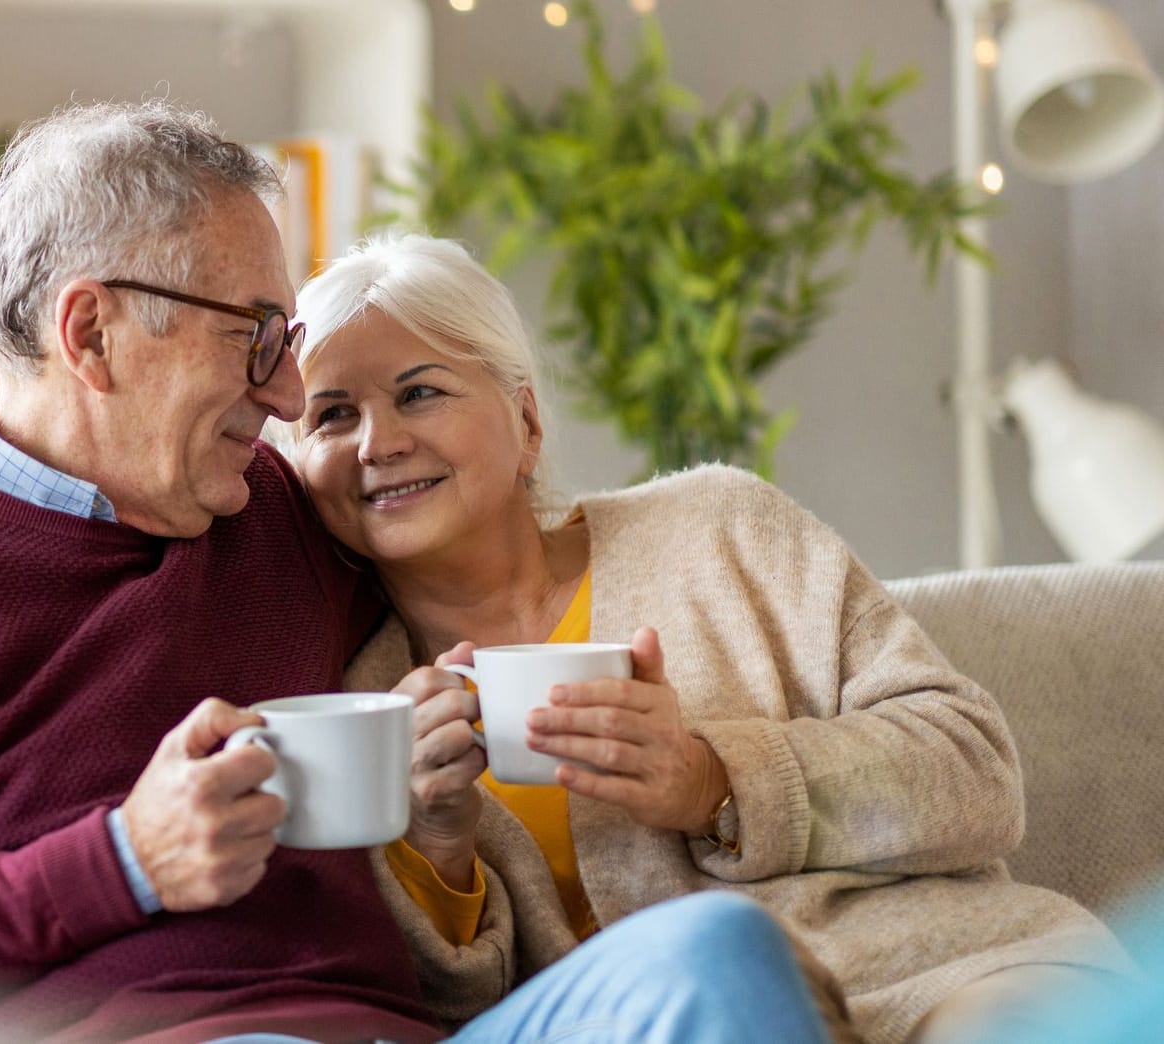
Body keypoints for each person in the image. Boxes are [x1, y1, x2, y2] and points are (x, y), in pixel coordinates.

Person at [0, 101, 837, 1043]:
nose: (291, 398)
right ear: (92, 335)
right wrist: (120, 862)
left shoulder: (284, 519)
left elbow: (480, 529)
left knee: (715, 955)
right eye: (253, 336)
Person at [282, 231, 1136, 1043]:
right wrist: (436, 841)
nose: (377, 443)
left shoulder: (718, 527)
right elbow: (453, 1012)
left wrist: (715, 782)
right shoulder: (363, 704)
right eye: (331, 415)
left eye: (419, 392)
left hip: (943, 976)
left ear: (527, 425)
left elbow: (974, 769)